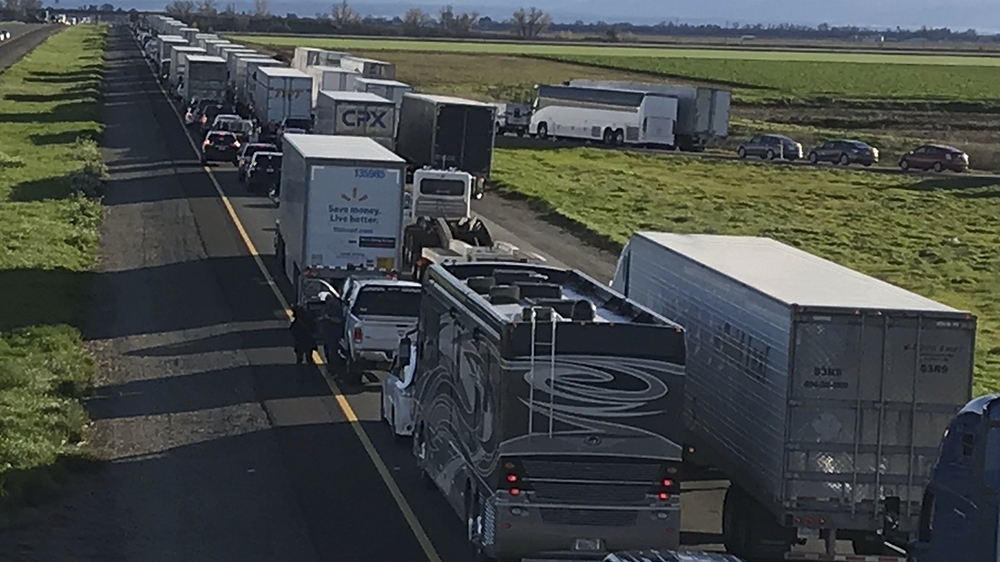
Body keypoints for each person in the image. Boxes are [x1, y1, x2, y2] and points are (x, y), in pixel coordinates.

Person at [316, 292, 345, 369]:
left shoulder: (336, 307)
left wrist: (328, 318)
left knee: (332, 350)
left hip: (334, 332)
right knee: (327, 349)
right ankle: (330, 364)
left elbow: (339, 320)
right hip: (327, 332)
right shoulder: (326, 307)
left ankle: (333, 366)